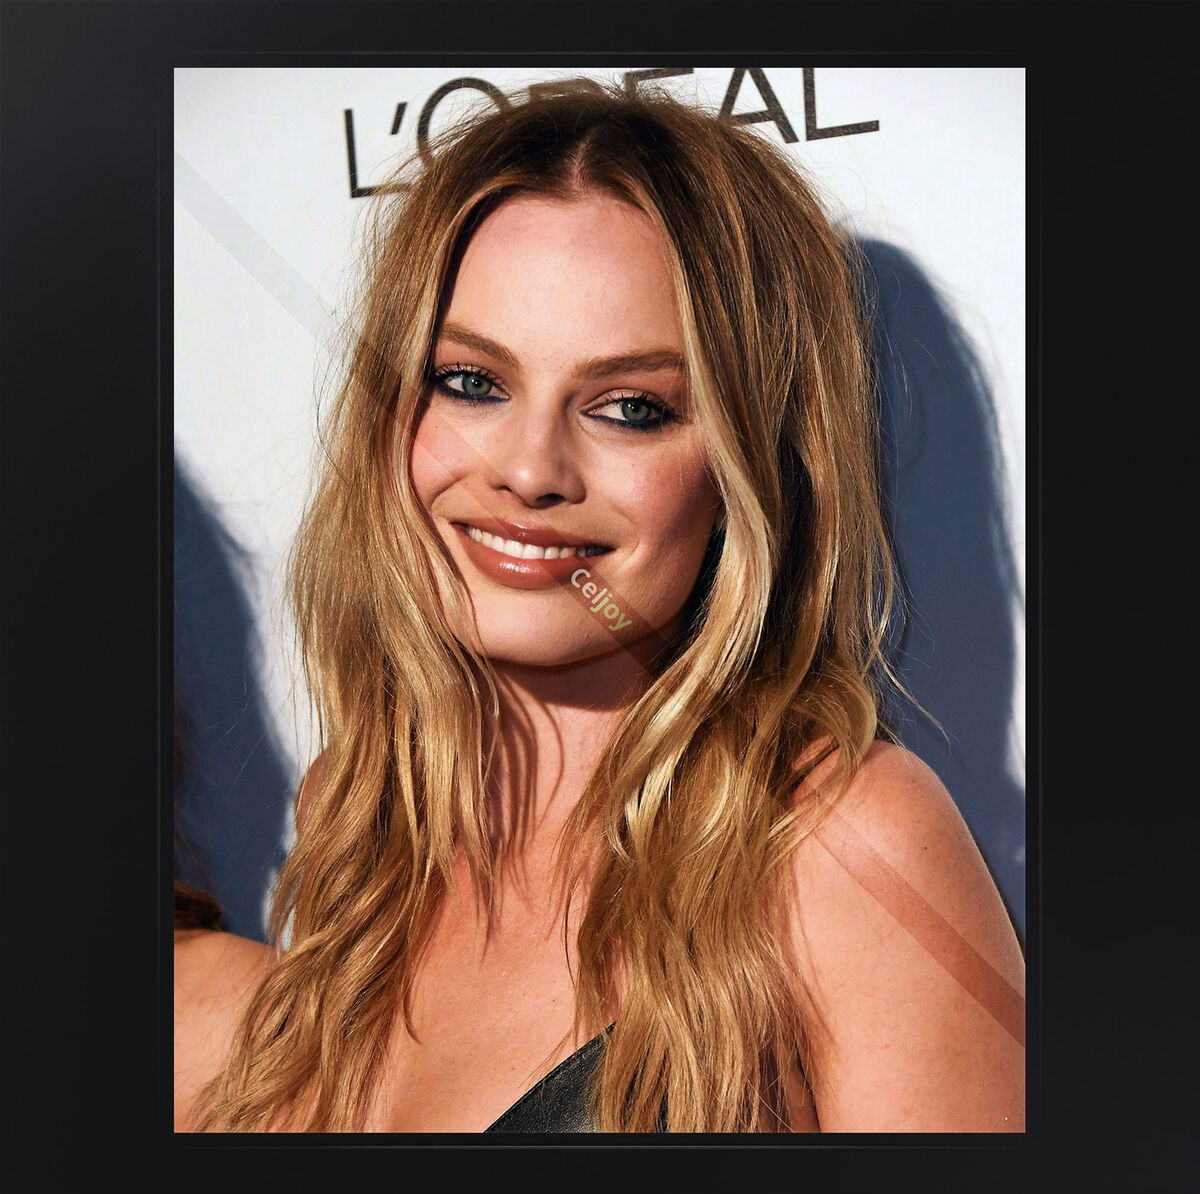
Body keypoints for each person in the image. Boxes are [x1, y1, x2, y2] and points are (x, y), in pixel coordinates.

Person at [174, 83, 1024, 1133]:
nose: (530, 471)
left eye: (630, 407)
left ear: (748, 468)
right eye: (472, 382)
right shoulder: (357, 827)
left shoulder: (839, 840)